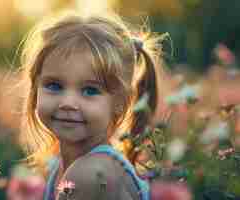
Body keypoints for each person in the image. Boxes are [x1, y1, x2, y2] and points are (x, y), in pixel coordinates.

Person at [16, 10, 167, 200]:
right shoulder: (60, 167)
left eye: (90, 90)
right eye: (54, 85)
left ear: (120, 102)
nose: (68, 103)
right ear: (35, 87)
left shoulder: (89, 175)